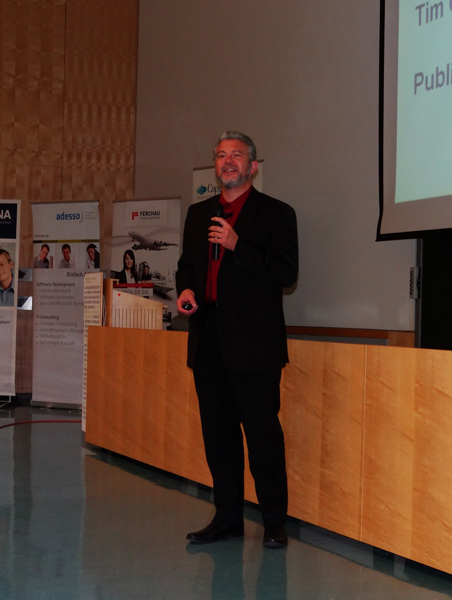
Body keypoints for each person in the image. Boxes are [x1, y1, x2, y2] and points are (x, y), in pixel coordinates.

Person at [176, 131, 298, 549]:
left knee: (263, 437)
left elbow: (286, 273)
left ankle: (274, 523)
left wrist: (237, 244)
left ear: (253, 166)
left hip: (255, 345)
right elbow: (187, 265)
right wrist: (187, 289)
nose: (228, 161)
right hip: (208, 339)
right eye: (221, 155)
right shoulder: (199, 213)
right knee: (219, 437)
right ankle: (227, 519)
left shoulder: (277, 214)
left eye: (237, 155)